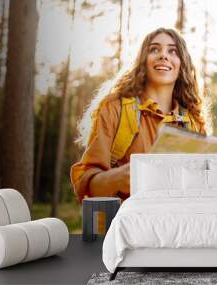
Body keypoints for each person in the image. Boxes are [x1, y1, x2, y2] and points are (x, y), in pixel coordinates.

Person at [70, 27, 208, 203]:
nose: (163, 55)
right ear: (143, 61)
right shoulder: (114, 108)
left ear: (182, 65)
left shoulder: (193, 122)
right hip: (127, 223)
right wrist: (116, 178)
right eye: (154, 49)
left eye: (173, 51)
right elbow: (87, 186)